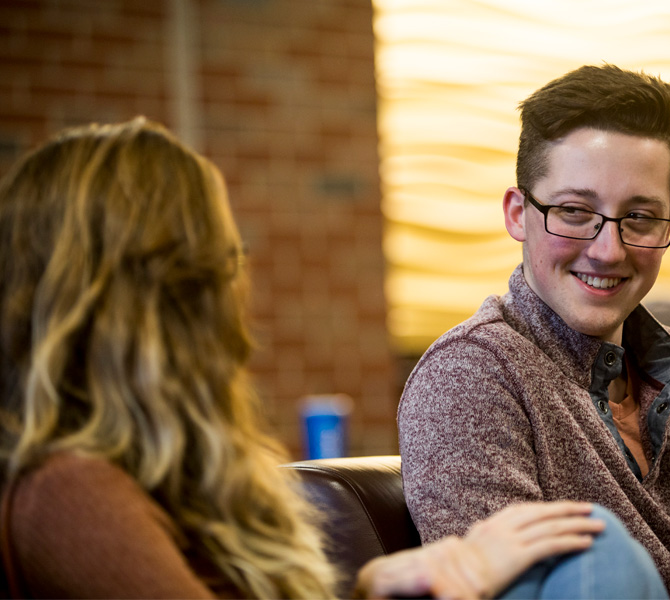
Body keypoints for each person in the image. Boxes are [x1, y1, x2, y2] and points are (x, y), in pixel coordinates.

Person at [0, 117, 629, 599]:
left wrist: (376, 583)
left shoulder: (175, 473)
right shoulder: (71, 492)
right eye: (223, 259)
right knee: (598, 554)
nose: (236, 284)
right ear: (165, 290)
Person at [398, 64, 670, 599]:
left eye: (639, 217)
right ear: (519, 214)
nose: (608, 250)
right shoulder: (471, 377)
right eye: (574, 211)